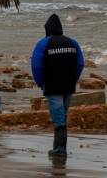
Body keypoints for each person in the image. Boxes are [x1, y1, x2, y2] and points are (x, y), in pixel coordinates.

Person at [30, 13, 84, 157]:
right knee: (62, 116)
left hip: (53, 86)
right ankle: (58, 147)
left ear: (47, 29)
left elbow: (36, 65)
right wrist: (73, 79)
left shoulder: (43, 43)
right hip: (68, 85)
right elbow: (80, 64)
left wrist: (41, 83)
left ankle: (60, 149)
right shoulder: (73, 42)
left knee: (58, 118)